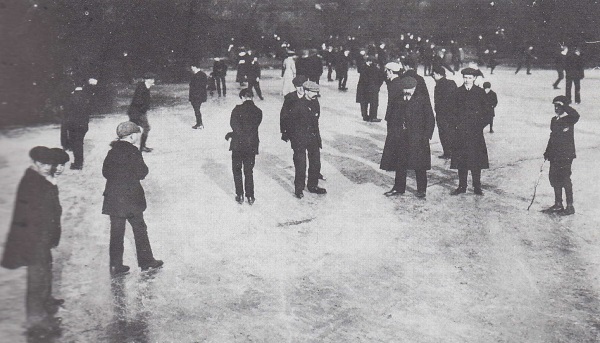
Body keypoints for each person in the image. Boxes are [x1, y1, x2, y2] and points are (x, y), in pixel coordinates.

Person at [1, 147, 68, 338]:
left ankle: (46, 301)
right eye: (43, 164)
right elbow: (36, 214)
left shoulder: (41, 178)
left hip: (42, 237)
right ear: (35, 163)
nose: (47, 167)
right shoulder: (33, 181)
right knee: (37, 277)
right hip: (34, 239)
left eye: (50, 164)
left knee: (46, 270)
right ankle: (35, 321)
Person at [102, 121, 163, 275]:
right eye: (137, 134)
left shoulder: (112, 152)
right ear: (131, 136)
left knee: (116, 232)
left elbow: (105, 172)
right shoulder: (133, 152)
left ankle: (116, 265)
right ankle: (146, 261)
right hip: (131, 198)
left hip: (114, 199)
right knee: (139, 229)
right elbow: (142, 172)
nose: (138, 136)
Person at [380, 75, 435, 198]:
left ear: (414, 88)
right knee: (400, 163)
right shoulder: (397, 99)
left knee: (419, 164)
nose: (406, 91)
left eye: (409, 89)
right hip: (401, 137)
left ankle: (422, 189)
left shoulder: (422, 99)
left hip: (418, 138)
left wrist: (426, 136)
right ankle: (399, 188)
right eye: (404, 89)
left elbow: (430, 118)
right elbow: (392, 117)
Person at [450, 67, 489, 196]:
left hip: (475, 133)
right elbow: (451, 112)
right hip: (460, 133)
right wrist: (456, 126)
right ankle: (462, 186)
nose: (467, 80)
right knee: (462, 160)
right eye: (465, 77)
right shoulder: (457, 92)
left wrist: (479, 125)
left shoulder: (480, 92)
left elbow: (488, 112)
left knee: (476, 161)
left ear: (474, 79)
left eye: (470, 78)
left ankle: (477, 186)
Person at [284, 81, 326, 198]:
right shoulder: (297, 104)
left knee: (315, 162)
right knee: (300, 164)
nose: (315, 95)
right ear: (306, 91)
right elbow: (289, 122)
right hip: (299, 138)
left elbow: (316, 120)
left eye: (316, 93)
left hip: (312, 137)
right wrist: (292, 137)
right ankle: (299, 189)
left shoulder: (315, 103)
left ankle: (313, 185)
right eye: (313, 92)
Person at [542, 96, 579, 216]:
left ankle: (570, 206)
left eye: (559, 106)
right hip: (555, 155)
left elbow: (576, 115)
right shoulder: (554, 120)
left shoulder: (569, 119)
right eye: (555, 106)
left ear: (563, 107)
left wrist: (566, 106)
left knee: (565, 179)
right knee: (553, 177)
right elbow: (552, 137)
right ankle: (558, 204)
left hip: (566, 155)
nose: (556, 108)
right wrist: (547, 151)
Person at [225, 89, 263, 205]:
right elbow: (252, 127)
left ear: (242, 98)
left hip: (238, 145)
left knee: (237, 170)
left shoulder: (237, 110)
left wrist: (232, 134)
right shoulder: (258, 112)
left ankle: (240, 194)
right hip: (251, 145)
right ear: (252, 97)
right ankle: (250, 196)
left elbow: (234, 126)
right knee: (248, 171)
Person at [62, 85, 90, 169]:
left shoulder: (71, 98)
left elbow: (67, 112)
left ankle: (78, 163)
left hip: (74, 126)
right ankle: (79, 162)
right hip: (83, 125)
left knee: (76, 145)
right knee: (79, 143)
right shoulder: (86, 98)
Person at [432, 66, 457, 159]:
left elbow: (439, 102)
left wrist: (438, 112)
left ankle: (447, 153)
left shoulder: (439, 85)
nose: (433, 76)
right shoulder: (452, 83)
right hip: (452, 113)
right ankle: (453, 152)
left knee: (443, 133)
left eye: (434, 74)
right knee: (452, 132)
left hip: (442, 114)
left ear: (439, 74)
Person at [127, 72, 156, 152]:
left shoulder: (146, 86)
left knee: (133, 130)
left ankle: (134, 146)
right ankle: (141, 146)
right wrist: (143, 108)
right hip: (137, 112)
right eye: (152, 79)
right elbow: (138, 101)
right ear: (148, 80)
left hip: (138, 111)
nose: (153, 80)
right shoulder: (142, 87)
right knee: (145, 128)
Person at [356, 56, 385, 122]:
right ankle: (367, 116)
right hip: (367, 88)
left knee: (371, 102)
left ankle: (370, 116)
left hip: (369, 87)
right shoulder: (366, 67)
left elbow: (380, 77)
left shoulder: (372, 68)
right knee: (366, 102)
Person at [189, 63, 208, 129]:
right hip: (198, 95)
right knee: (197, 109)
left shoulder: (198, 75)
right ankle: (199, 123)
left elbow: (198, 86)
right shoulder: (202, 74)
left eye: (192, 67)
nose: (191, 69)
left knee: (197, 109)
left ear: (195, 67)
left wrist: (195, 95)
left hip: (197, 96)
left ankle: (199, 123)